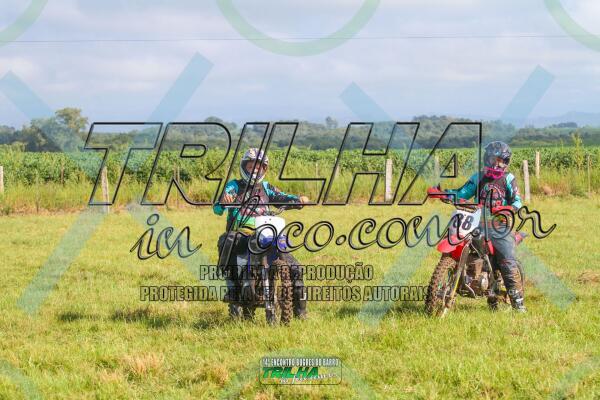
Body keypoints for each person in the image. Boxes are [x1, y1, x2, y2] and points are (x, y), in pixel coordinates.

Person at [213, 148, 309, 319]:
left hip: (266, 231)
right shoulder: (234, 186)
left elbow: (282, 196)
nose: (255, 170)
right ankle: (232, 287)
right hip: (243, 232)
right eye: (251, 167)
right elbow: (218, 208)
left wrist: (298, 200)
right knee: (228, 239)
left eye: (259, 167)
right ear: (244, 167)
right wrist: (224, 200)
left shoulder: (266, 187)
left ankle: (300, 312)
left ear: (264, 169)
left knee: (294, 266)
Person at [446, 141, 526, 312]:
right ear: (486, 159)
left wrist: (506, 209)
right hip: (476, 222)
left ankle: (518, 304)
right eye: (492, 159)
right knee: (457, 242)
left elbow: (517, 202)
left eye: (499, 161)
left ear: (505, 162)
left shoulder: (508, 179)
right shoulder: (478, 177)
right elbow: (462, 192)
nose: (495, 164)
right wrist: (444, 193)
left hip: (499, 225)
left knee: (507, 260)